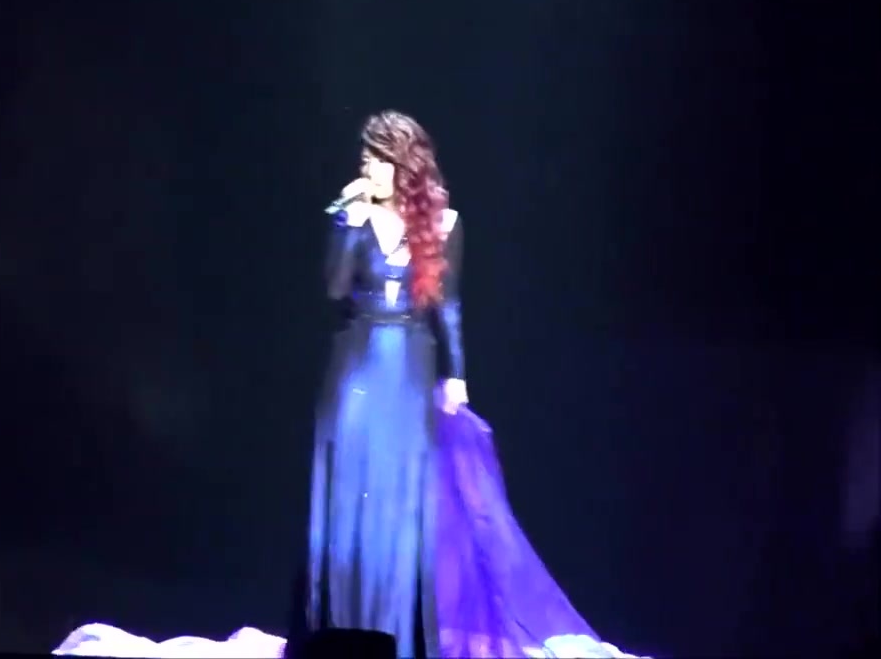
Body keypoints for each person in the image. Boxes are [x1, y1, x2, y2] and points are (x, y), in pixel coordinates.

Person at [53, 112, 639, 659]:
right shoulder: (351, 218)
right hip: (356, 367)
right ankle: (333, 631)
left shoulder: (444, 223)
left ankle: (397, 634)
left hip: (410, 367)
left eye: (379, 160)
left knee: (399, 505)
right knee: (348, 499)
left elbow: (449, 307)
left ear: (404, 164)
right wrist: (345, 220)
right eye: (365, 159)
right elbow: (334, 289)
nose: (368, 169)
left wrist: (457, 375)